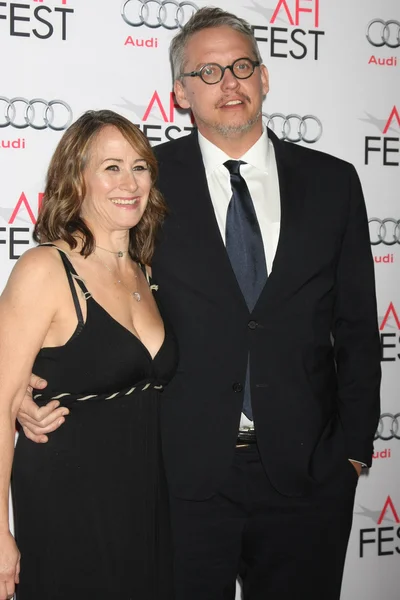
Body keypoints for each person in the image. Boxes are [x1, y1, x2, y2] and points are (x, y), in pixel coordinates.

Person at [18, 7, 381, 600]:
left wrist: (353, 456)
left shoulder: (334, 182)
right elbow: (74, 279)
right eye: (207, 73)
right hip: (178, 477)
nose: (228, 83)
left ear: (264, 78)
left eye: (241, 66)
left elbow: (359, 331)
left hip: (310, 476)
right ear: (181, 93)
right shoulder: (146, 183)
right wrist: (17, 394)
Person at [0, 109, 177, 600]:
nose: (130, 182)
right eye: (111, 167)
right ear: (76, 179)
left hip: (144, 497)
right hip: (69, 501)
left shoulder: (143, 268)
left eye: (140, 166)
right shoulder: (46, 267)